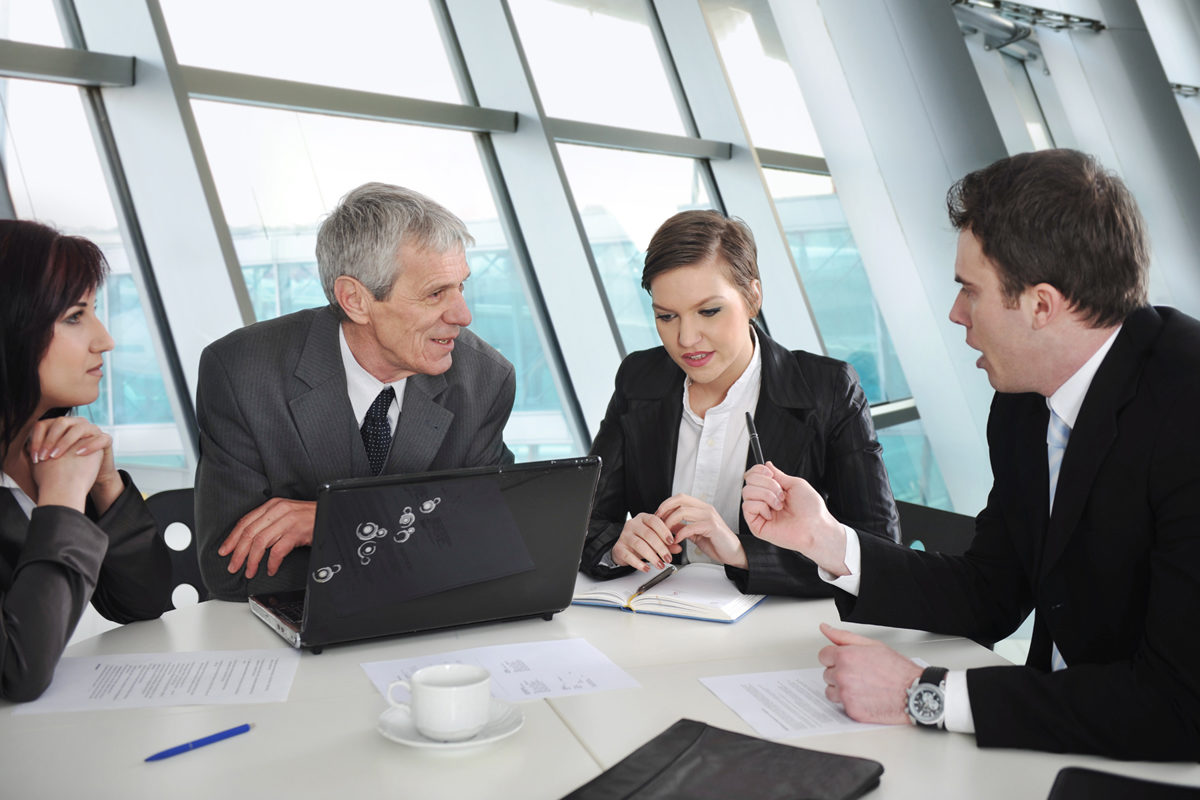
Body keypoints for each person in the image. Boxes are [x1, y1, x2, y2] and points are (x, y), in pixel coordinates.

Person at [742, 149, 1200, 760]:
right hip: (1061, 740)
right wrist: (828, 539)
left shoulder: (1188, 411)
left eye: (969, 290)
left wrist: (921, 694)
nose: (956, 314)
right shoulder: (1023, 402)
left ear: (1041, 304)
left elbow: (1176, 706)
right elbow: (993, 590)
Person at [195, 183, 516, 602]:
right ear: (355, 299)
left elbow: (491, 540)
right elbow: (235, 572)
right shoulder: (242, 372)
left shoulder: (485, 380)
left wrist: (334, 523)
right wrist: (420, 541)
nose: (463, 315)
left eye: (461, 287)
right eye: (436, 293)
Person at [581, 210, 899, 595]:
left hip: (779, 633)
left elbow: (879, 553)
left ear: (753, 297)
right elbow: (583, 521)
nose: (685, 338)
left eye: (709, 311)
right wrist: (617, 542)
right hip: (656, 622)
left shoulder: (828, 390)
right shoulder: (639, 378)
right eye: (666, 316)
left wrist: (742, 553)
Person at [0, 220, 172, 701]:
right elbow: (18, 671)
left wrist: (105, 487)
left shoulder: (51, 445)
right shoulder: (53, 472)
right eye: (75, 316)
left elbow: (141, 603)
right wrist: (59, 501)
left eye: (93, 311)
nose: (105, 340)